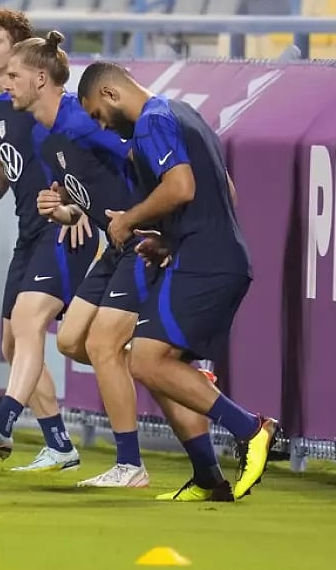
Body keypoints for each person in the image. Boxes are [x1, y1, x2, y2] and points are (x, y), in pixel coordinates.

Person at [77, 60, 278, 502]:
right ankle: (208, 477)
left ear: (109, 94)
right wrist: (168, 241)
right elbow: (225, 190)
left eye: (95, 114)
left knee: (146, 362)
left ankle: (252, 429)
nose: (102, 126)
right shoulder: (183, 112)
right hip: (209, 255)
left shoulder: (152, 122)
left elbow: (181, 187)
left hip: (205, 262)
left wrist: (129, 220)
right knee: (160, 365)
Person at [3, 31, 154, 485]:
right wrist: (64, 210)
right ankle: (160, 368)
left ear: (41, 78)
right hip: (114, 245)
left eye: (14, 75)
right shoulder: (44, 136)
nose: (5, 83)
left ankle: (130, 463)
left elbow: (138, 155)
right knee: (70, 342)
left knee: (100, 345)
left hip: (142, 241)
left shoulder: (84, 122)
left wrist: (147, 214)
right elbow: (77, 198)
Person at [0, 10, 94, 471]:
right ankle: (59, 444)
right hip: (28, 230)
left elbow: (81, 157)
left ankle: (4, 422)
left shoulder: (48, 108)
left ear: (21, 53)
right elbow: (1, 164)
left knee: (32, 324)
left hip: (64, 225)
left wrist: (78, 205)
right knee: (14, 345)